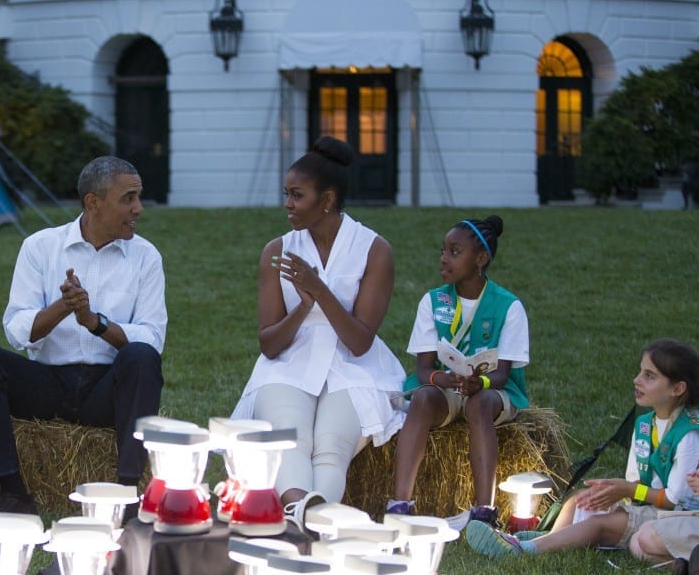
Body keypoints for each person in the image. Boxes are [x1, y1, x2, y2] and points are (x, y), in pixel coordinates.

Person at [0, 155, 166, 515]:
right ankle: (12, 491)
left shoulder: (146, 256)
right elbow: (16, 331)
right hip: (47, 384)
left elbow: (151, 339)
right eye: (128, 198)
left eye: (138, 197)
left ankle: (128, 491)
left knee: (142, 356)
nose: (139, 209)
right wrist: (62, 308)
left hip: (108, 390)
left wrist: (93, 322)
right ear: (93, 203)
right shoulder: (40, 247)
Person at [229, 136, 406, 531]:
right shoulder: (276, 250)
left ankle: (299, 522)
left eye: (297, 195)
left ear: (326, 200)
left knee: (330, 447)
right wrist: (304, 307)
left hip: (353, 365)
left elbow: (360, 342)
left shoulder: (375, 250)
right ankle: (313, 521)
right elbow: (269, 344)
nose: (287, 204)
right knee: (287, 441)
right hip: (291, 362)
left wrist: (320, 291)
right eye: (286, 194)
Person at [467, 338, 699, 561]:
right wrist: (612, 490)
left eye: (649, 376)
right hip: (646, 505)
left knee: (598, 525)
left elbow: (674, 500)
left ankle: (522, 549)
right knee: (579, 500)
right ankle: (548, 538)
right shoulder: (644, 424)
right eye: (640, 371)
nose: (637, 380)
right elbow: (636, 483)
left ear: (677, 389)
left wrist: (626, 490)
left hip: (677, 515)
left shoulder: (688, 434)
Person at [387, 215, 530, 525]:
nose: (444, 259)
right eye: (443, 251)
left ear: (480, 259)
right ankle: (400, 505)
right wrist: (445, 379)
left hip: (492, 392)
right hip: (447, 389)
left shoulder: (508, 306)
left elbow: (503, 375)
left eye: (454, 252)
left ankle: (484, 511)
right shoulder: (433, 300)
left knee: (479, 405)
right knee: (423, 399)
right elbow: (424, 370)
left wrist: (478, 382)